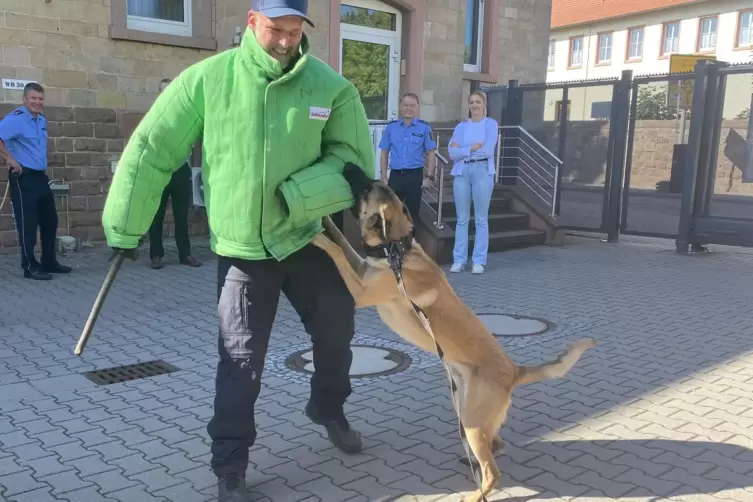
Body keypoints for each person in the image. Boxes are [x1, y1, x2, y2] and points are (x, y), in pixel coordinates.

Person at [100, 1, 375, 500]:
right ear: (252, 22)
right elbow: (152, 150)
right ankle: (230, 468)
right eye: (276, 29)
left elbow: (354, 160)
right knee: (240, 362)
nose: (286, 41)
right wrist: (125, 227)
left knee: (338, 327)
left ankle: (328, 407)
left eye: (295, 30)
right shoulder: (207, 79)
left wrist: (298, 195)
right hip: (243, 252)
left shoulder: (332, 89)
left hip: (305, 237)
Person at [0, 83, 71, 281]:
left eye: (40, 99)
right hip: (24, 178)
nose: (37, 102)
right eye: (33, 98)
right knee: (28, 224)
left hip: (40, 177)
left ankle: (48, 261)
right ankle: (29, 267)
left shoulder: (40, 120)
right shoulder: (16, 119)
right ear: (25, 99)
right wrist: (10, 159)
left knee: (50, 220)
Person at [146, 79, 202, 270]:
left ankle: (185, 254)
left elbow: (195, 142)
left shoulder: (184, 115)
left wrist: (195, 170)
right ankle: (156, 255)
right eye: (164, 91)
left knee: (181, 215)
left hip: (180, 169)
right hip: (160, 169)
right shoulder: (154, 116)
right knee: (156, 214)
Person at [447, 90, 499, 275]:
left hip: (482, 171)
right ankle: (459, 260)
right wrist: (471, 148)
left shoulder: (491, 125)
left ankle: (479, 260)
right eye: (471, 102)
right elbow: (451, 153)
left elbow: (487, 151)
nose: (474, 105)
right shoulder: (461, 127)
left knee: (481, 218)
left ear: (484, 104)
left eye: (478, 102)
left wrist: (462, 150)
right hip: (462, 171)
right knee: (461, 219)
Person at [378, 92, 437, 226]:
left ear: (417, 108)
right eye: (405, 105)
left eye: (412, 105)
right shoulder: (391, 128)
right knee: (392, 213)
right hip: (396, 176)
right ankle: (393, 246)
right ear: (400, 106)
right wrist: (383, 176)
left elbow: (431, 153)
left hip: (414, 176)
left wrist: (430, 177)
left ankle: (410, 245)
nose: (408, 108)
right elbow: (384, 152)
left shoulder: (424, 128)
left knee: (412, 215)